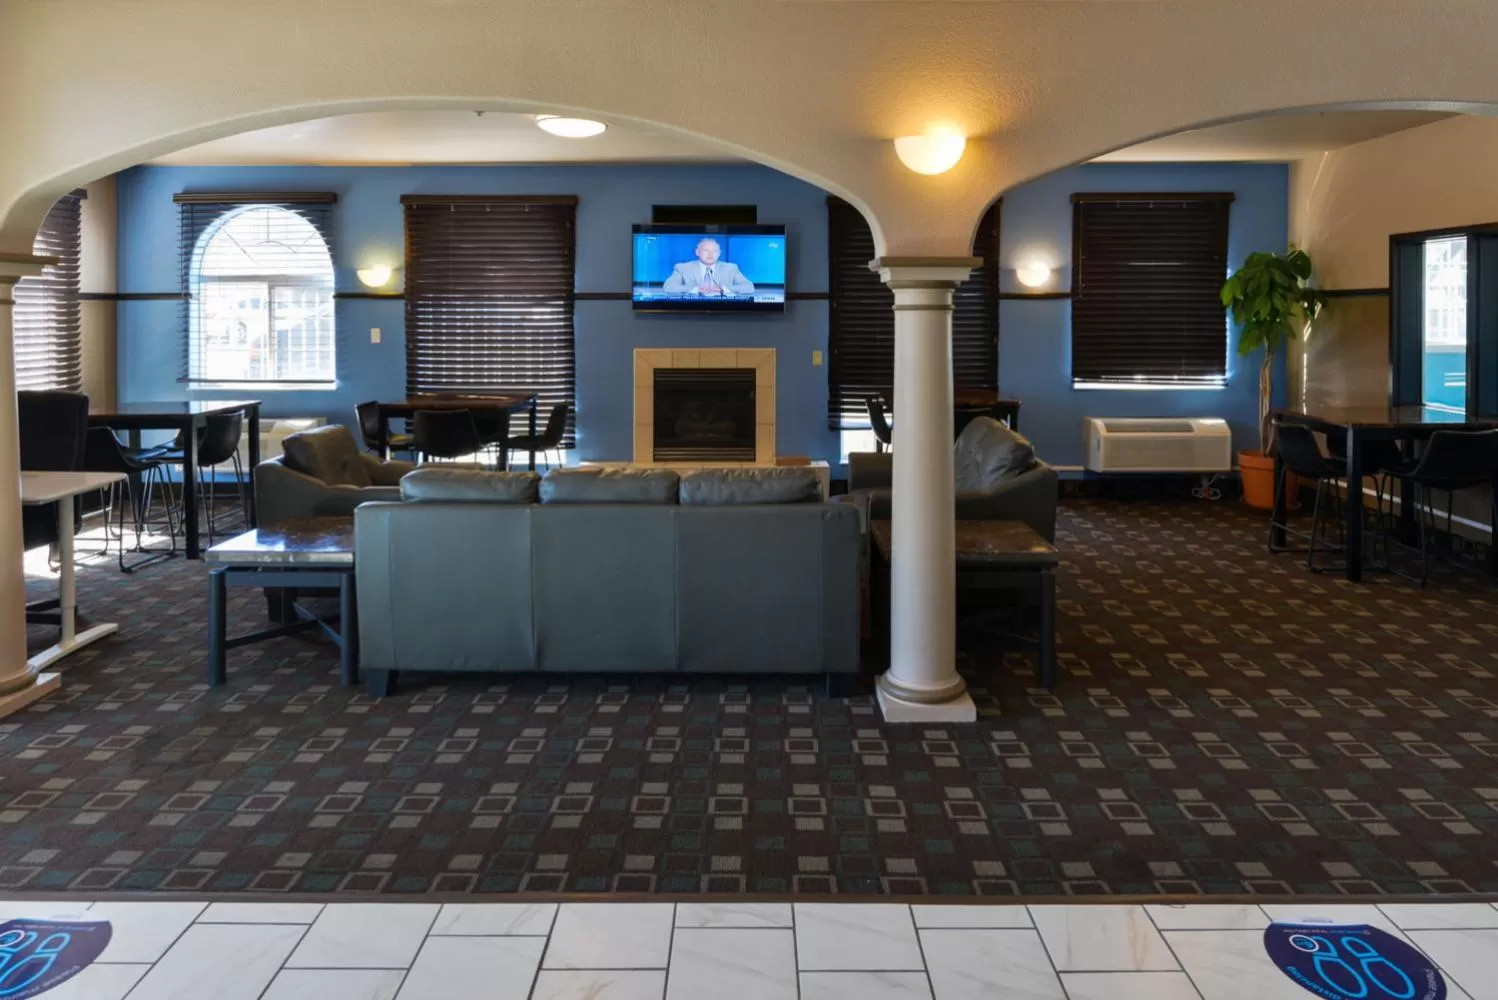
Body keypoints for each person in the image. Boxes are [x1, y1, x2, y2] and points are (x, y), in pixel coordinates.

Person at [662, 238, 755, 296]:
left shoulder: (731, 268)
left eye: (715, 251)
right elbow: (668, 286)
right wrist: (696, 289)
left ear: (719, 253)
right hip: (692, 310)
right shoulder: (683, 268)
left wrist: (723, 289)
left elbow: (749, 287)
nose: (711, 254)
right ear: (697, 252)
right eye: (706, 250)